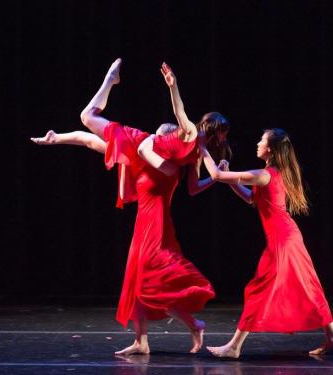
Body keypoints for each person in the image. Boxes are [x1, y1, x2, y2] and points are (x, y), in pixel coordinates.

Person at [33, 59, 218, 355]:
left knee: (153, 281)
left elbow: (179, 122)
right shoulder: (140, 154)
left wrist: (173, 88)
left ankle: (194, 324)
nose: (152, 136)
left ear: (167, 138)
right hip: (143, 225)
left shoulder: (169, 164)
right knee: (136, 281)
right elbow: (88, 140)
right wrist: (57, 140)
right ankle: (141, 340)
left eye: (158, 135)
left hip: (156, 227)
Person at [195, 128, 333, 358]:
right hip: (289, 238)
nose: (257, 143)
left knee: (259, 289)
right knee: (309, 288)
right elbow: (252, 198)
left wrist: (202, 148)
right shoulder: (271, 174)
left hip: (282, 241)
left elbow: (216, 177)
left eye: (262, 140)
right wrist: (231, 180)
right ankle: (332, 338)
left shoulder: (264, 174)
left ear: (270, 149)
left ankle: (234, 347)